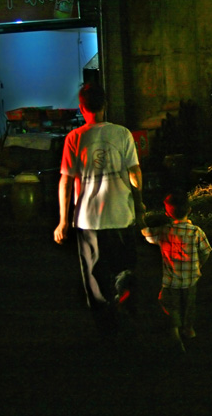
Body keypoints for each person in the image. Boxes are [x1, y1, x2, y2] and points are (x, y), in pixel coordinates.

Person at [53, 82, 145, 339]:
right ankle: (125, 289)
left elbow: (66, 181)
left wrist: (63, 221)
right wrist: (139, 205)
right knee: (123, 264)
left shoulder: (75, 138)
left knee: (94, 276)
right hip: (121, 214)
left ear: (82, 108)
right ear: (106, 105)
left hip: (88, 219)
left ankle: (108, 327)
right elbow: (135, 174)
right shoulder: (123, 134)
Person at [141, 192, 212, 353]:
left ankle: (175, 333)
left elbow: (146, 233)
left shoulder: (163, 231)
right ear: (189, 210)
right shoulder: (196, 231)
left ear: (167, 213)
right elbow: (206, 251)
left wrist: (141, 218)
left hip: (170, 280)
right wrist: (199, 265)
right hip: (191, 278)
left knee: (168, 303)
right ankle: (189, 329)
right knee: (189, 304)